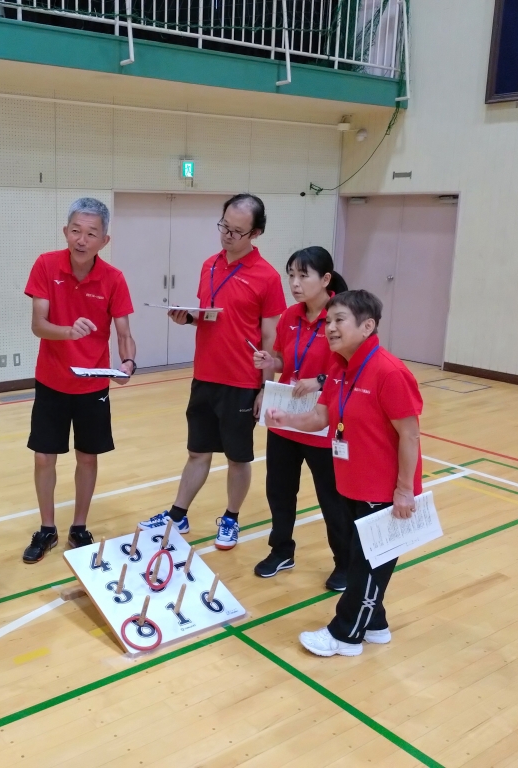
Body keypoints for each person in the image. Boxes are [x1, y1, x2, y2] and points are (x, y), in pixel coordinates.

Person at [265, 289, 423, 657]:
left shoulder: (389, 371)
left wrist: (403, 490)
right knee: (358, 559)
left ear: (367, 327)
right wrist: (286, 419)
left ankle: (346, 635)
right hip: (352, 482)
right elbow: (320, 417)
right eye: (329, 321)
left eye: (340, 320)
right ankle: (375, 624)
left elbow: (410, 435)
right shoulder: (339, 367)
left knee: (369, 565)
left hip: (383, 490)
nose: (331, 328)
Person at [139, 194, 286, 550]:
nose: (227, 236)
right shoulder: (209, 265)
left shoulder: (267, 277)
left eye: (237, 231)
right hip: (205, 376)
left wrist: (266, 388)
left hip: (241, 381)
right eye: (224, 227)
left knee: (238, 457)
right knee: (197, 451)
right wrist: (188, 317)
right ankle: (178, 515)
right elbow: (212, 317)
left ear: (256, 233)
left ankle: (231, 519)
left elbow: (270, 337)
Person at [21, 198, 137, 563]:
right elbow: (38, 324)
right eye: (75, 231)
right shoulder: (46, 265)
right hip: (52, 380)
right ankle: (47, 528)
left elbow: (124, 333)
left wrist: (128, 362)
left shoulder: (114, 279)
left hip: (94, 385)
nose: (81, 239)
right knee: (44, 456)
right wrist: (68, 332)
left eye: (91, 233)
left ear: (104, 240)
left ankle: (79, 527)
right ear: (65, 232)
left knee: (87, 457)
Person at [252, 247, 351, 589]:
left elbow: (353, 366)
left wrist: (320, 380)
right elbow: (286, 362)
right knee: (279, 491)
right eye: (291, 275)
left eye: (303, 276)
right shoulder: (289, 316)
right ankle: (281, 550)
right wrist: (271, 363)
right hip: (285, 418)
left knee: (331, 498)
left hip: (321, 420)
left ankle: (344, 562)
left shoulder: (341, 317)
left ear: (325, 279)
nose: (294, 283)